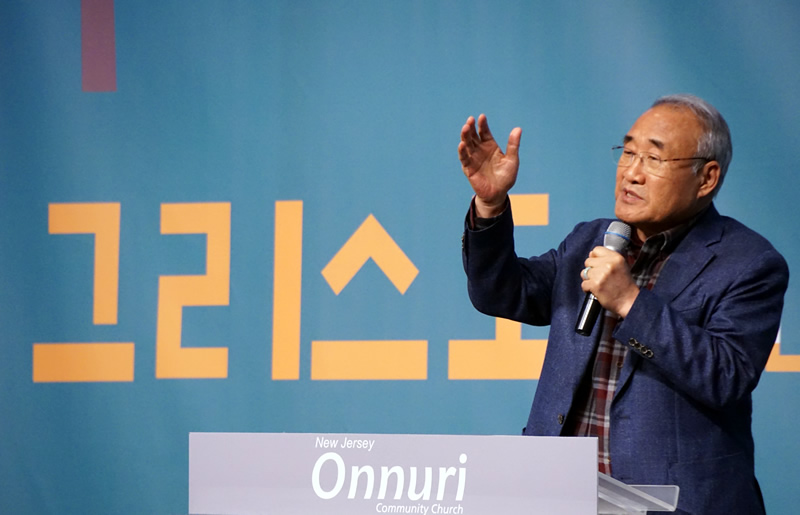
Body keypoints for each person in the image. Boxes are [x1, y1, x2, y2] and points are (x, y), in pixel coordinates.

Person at [458, 94, 789, 514]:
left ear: (706, 178)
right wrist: (490, 206)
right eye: (628, 152)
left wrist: (631, 302)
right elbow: (500, 292)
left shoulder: (749, 263)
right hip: (560, 495)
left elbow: (726, 376)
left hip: (675, 504)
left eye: (654, 158)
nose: (632, 173)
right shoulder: (590, 240)